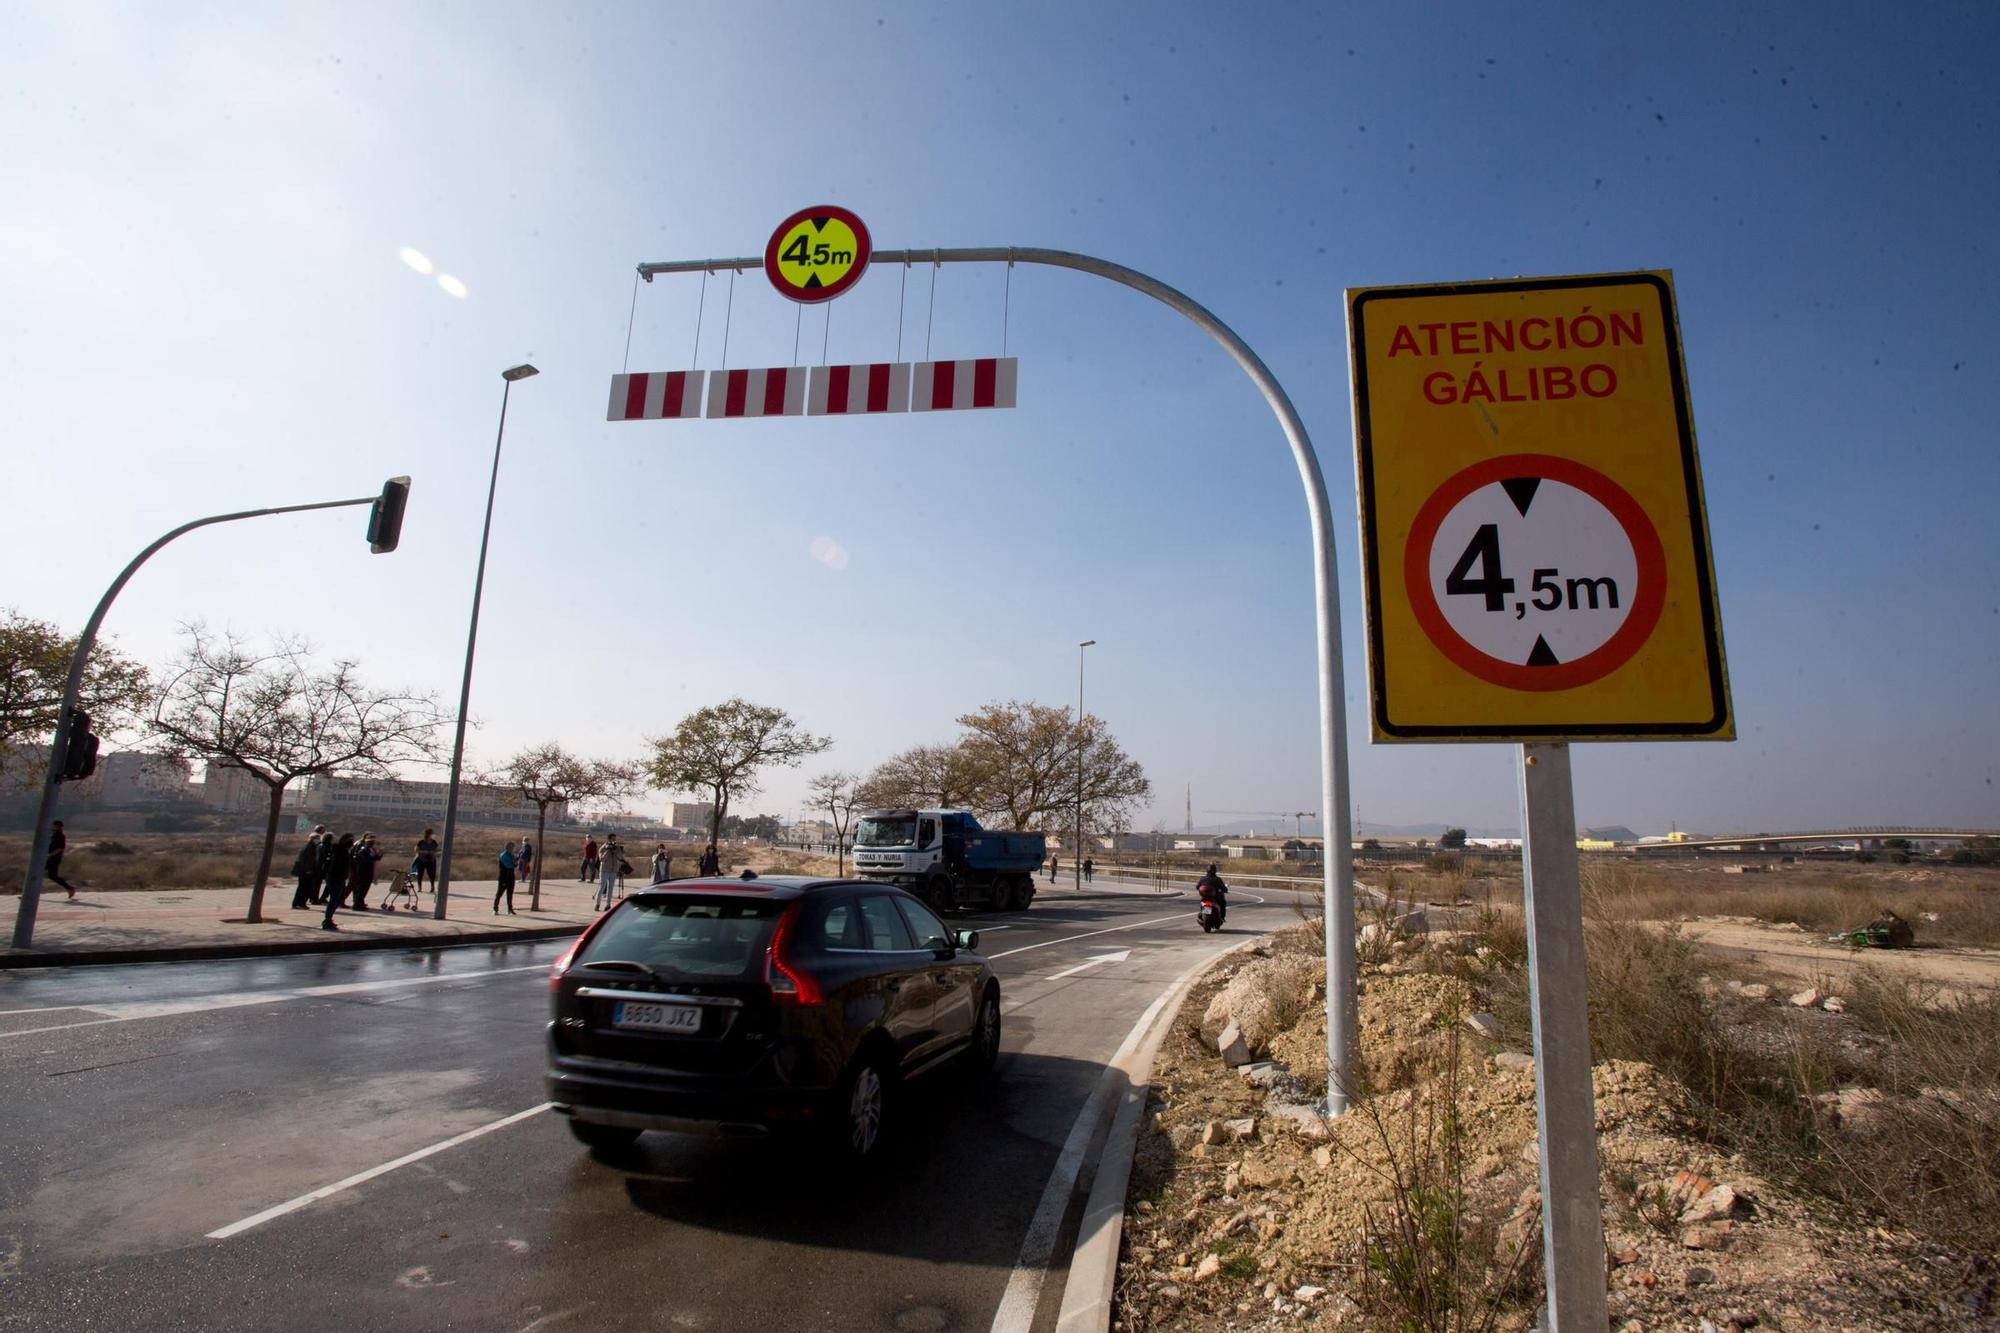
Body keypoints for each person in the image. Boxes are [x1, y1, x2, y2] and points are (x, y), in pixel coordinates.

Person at [320, 833, 355, 930]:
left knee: (337, 899)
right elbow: (336, 866)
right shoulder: (339, 851)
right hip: (335, 877)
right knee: (334, 899)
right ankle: (327, 920)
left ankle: (328, 919)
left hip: (340, 877)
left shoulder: (343, 850)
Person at [290, 829, 323, 910]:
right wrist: (308, 870)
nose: (318, 840)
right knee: (303, 888)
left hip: (307, 871)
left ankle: (300, 903)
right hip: (306, 871)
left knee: (304, 888)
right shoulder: (309, 847)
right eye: (317, 839)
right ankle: (299, 903)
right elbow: (307, 860)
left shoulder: (312, 846)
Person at [347, 833, 381, 911]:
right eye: (371, 842)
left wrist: (378, 856)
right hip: (363, 872)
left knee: (365, 889)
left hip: (369, 872)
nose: (372, 843)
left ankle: (360, 903)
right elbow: (366, 860)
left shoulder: (371, 849)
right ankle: (356, 904)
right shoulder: (363, 850)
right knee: (361, 889)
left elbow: (374, 858)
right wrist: (374, 858)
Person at [46, 820, 77, 898]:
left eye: (53, 826)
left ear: (57, 827)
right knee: (41, 874)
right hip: (48, 858)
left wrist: (50, 855)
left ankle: (70, 888)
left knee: (52, 875)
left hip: (54, 859)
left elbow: (61, 848)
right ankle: (70, 888)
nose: (52, 827)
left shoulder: (60, 836)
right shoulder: (53, 835)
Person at [1196, 862, 1229, 928]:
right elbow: (1224, 888)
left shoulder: (1202, 878)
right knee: (1223, 902)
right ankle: (1222, 917)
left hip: (1205, 898)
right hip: (1215, 898)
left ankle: (1202, 915)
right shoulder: (1217, 879)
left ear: (1207, 870)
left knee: (1202, 905)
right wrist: (1225, 890)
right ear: (1215, 871)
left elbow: (1197, 887)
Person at [595, 838, 620, 911]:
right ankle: (597, 904)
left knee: (610, 888)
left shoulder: (617, 848)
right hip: (604, 870)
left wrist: (615, 850)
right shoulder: (603, 848)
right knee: (601, 887)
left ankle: (608, 905)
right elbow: (602, 859)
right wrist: (608, 850)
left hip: (613, 870)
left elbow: (621, 857)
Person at [495, 841, 518, 914]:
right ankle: (495, 908)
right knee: (499, 894)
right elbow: (510, 865)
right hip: (503, 877)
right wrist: (514, 863)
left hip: (511, 877)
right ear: (508, 847)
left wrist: (515, 861)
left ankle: (510, 909)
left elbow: (515, 864)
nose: (513, 849)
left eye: (513, 847)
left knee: (510, 894)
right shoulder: (503, 855)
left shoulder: (511, 855)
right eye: (512, 847)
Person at [413, 827, 440, 892]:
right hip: (422, 860)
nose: (433, 835)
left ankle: (432, 887)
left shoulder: (434, 842)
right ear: (428, 834)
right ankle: (420, 887)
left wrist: (434, 853)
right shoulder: (421, 842)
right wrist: (426, 852)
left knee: (432, 874)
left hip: (431, 860)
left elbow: (436, 850)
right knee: (420, 874)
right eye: (432, 834)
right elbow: (416, 850)